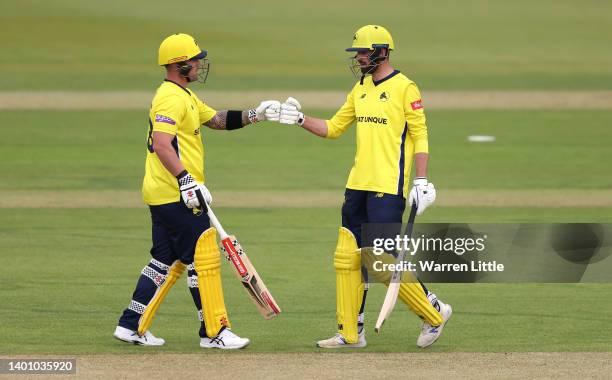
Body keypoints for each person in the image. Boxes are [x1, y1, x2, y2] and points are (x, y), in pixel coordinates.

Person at [278, 25, 452, 348]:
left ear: (382, 52)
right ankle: (349, 333)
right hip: (357, 185)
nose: (358, 58)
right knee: (347, 257)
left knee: (380, 260)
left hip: (388, 186)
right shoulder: (359, 88)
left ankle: (433, 314)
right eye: (356, 53)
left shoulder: (405, 87)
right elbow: (333, 128)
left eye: (363, 52)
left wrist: (422, 180)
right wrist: (299, 119)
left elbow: (421, 135)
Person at [113, 33, 280, 349]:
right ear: (180, 65)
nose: (200, 64)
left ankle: (130, 324)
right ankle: (215, 332)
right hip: (175, 193)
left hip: (164, 193)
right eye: (195, 60)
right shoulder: (170, 98)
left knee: (163, 260)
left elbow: (216, 120)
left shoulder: (184, 95)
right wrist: (186, 179)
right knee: (203, 259)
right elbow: (162, 145)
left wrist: (257, 114)